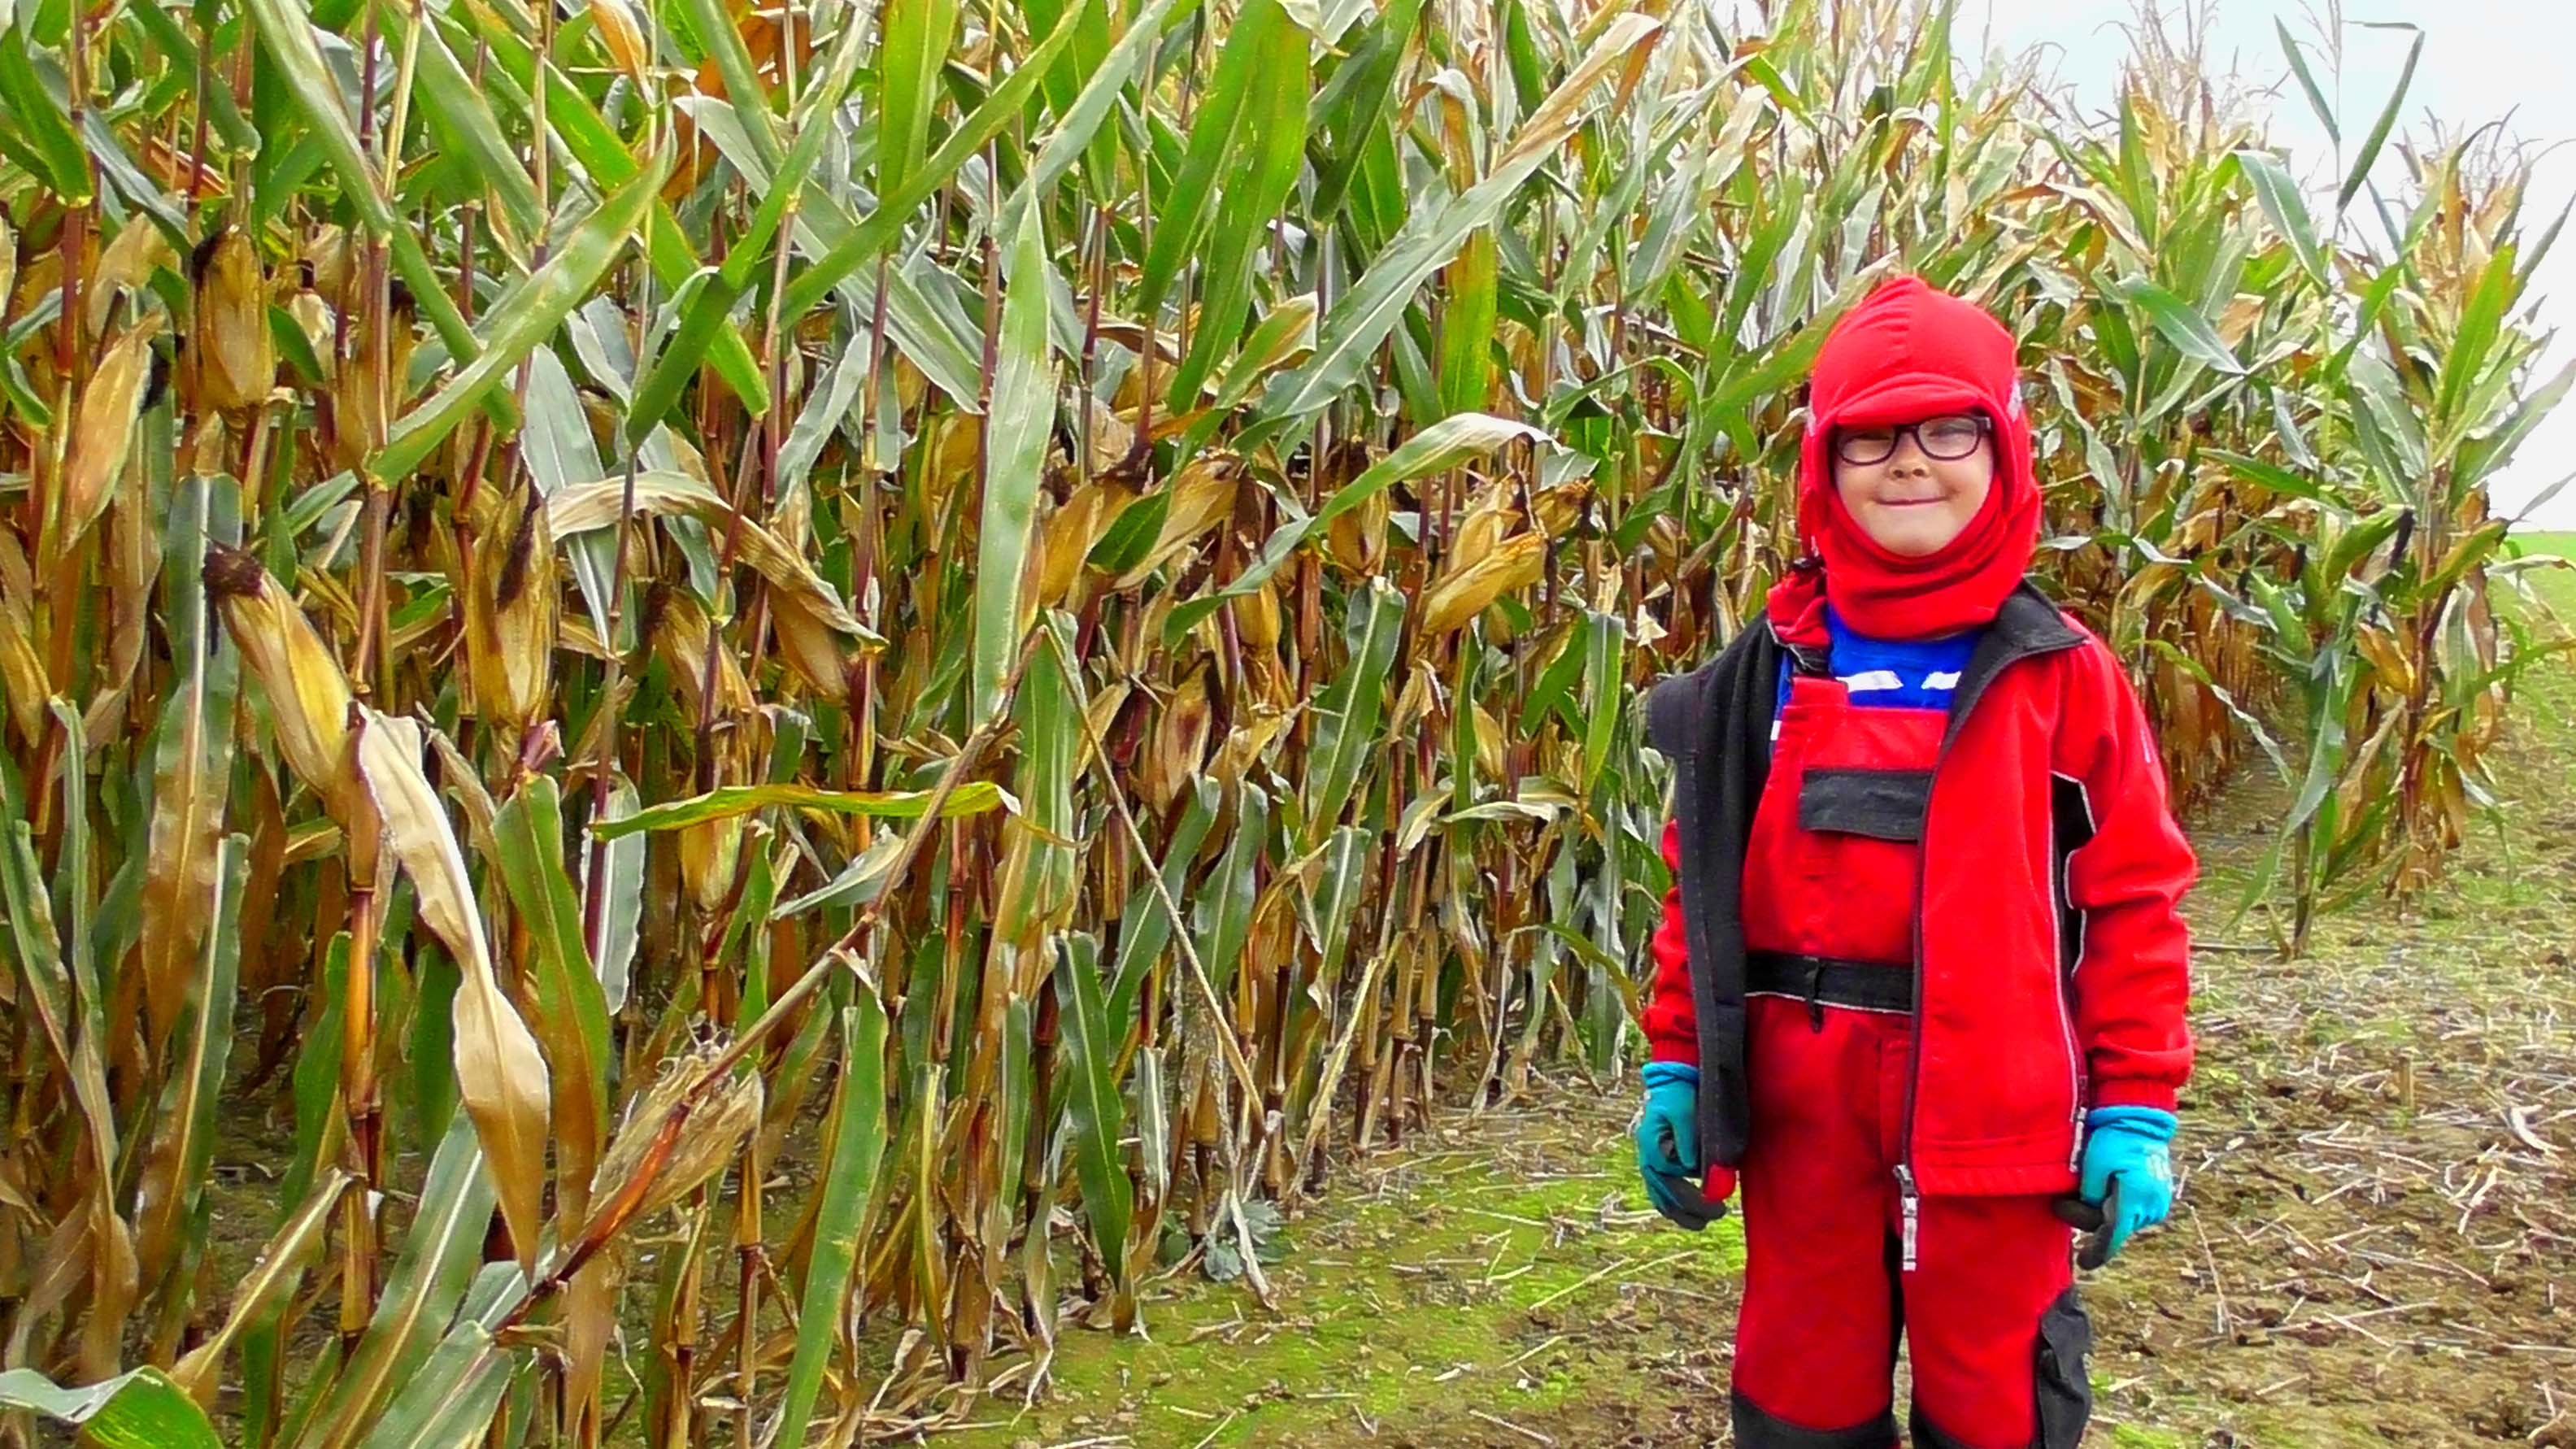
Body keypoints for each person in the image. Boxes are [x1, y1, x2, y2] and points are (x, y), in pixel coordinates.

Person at [1632, 276, 2196, 1448]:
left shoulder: (2060, 675)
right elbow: (1703, 884)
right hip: (1801, 1102)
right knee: (1800, 1381)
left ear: (2003, 446)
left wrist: (2136, 1104)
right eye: (1869, 438)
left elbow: (2134, 898)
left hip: (1999, 1102)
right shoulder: (1768, 670)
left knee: (1995, 1389)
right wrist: (1680, 1066)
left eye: (1948, 431)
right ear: (1821, 466)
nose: (1909, 464)